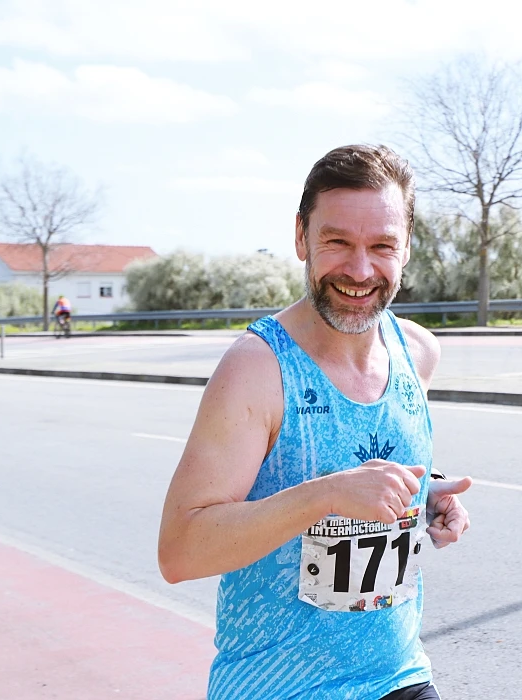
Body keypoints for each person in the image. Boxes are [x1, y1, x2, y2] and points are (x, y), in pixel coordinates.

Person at [157, 144, 472, 700]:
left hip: (399, 677)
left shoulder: (417, 352)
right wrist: (325, 495)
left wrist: (424, 492)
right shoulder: (257, 369)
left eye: (381, 246)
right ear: (301, 237)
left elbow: (361, 462)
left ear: (406, 249)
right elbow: (181, 550)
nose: (359, 269)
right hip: (280, 688)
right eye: (337, 242)